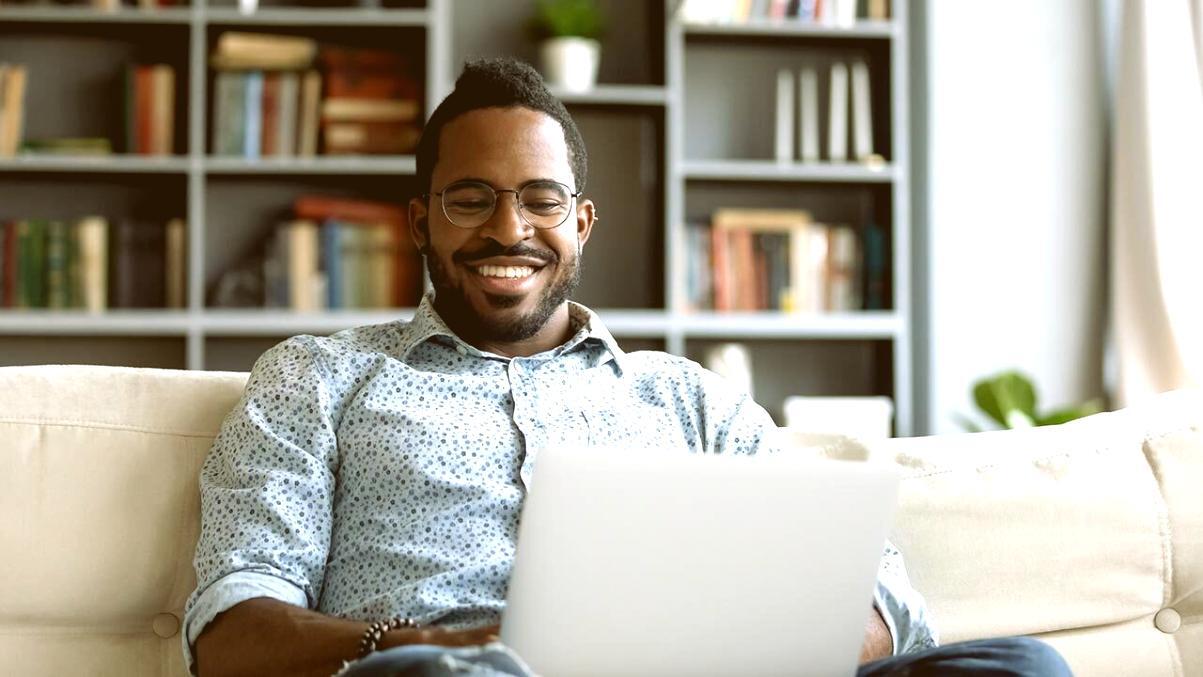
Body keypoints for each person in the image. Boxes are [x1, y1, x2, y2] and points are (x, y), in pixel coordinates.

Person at [185, 58, 1070, 677]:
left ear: (582, 224)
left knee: (1022, 664)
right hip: (437, 675)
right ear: (420, 221)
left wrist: (724, 648)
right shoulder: (318, 380)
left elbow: (880, 593)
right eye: (470, 200)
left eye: (541, 201)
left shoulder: (687, 399)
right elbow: (231, 635)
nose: (508, 230)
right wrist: (433, 643)